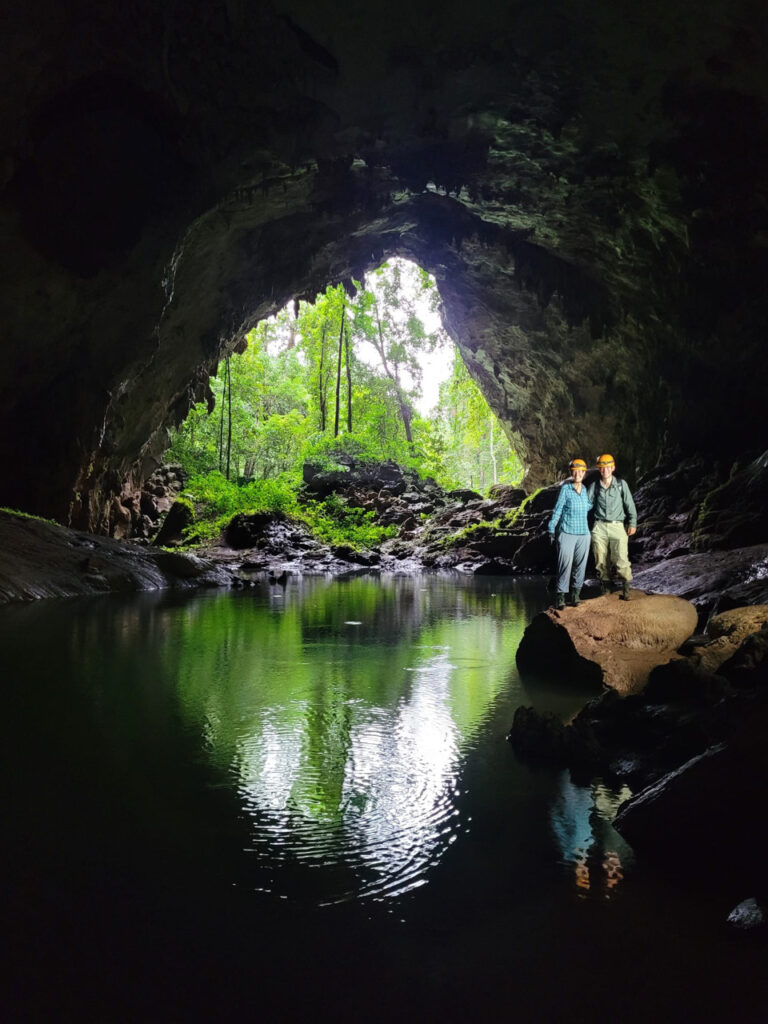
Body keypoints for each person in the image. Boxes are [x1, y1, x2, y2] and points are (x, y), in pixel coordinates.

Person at [587, 453, 637, 601]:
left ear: (613, 468)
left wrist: (632, 523)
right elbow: (586, 505)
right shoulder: (594, 486)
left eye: (608, 467)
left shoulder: (621, 485)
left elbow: (630, 505)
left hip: (617, 526)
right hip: (599, 527)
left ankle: (626, 590)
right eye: (602, 468)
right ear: (599, 469)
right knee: (600, 560)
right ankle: (606, 590)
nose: (605, 470)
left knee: (621, 558)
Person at [547, 458, 592, 610]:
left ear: (584, 473)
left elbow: (588, 507)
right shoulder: (566, 489)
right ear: (571, 473)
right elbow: (558, 509)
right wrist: (552, 526)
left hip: (584, 534)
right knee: (564, 566)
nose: (578, 474)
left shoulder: (585, 490)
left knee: (580, 566)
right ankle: (560, 597)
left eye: (581, 471)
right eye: (575, 471)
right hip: (567, 532)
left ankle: (575, 596)